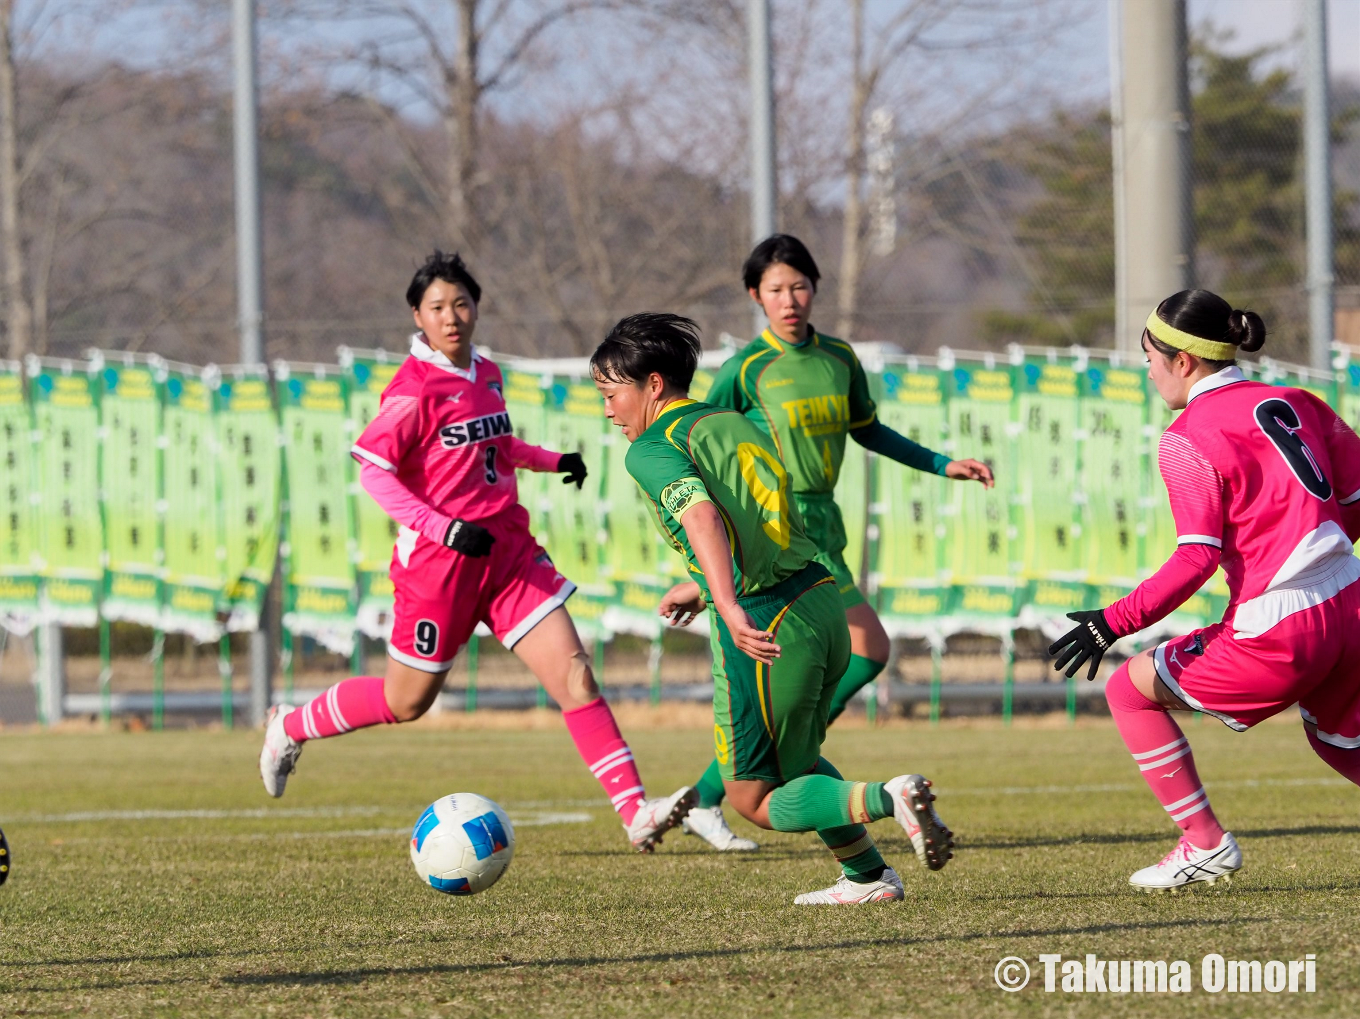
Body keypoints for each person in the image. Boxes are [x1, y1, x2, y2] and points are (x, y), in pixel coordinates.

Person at [259, 251, 695, 853]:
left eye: (461, 303)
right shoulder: (413, 390)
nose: (452, 315)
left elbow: (494, 445)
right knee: (405, 701)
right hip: (440, 566)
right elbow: (374, 470)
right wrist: (442, 529)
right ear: (417, 315)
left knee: (575, 675)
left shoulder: (485, 372)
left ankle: (635, 812)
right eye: (437, 306)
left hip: (508, 554)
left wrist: (551, 460)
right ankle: (290, 724)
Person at [591, 311, 954, 904]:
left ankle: (892, 797)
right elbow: (755, 514)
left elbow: (703, 515)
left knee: (752, 798)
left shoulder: (653, 448)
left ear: (653, 385)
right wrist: (702, 585)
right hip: (820, 599)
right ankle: (867, 877)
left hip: (766, 621)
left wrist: (728, 606)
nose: (607, 410)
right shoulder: (729, 420)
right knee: (802, 761)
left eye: (611, 394)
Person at [680, 234, 995, 853]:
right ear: (755, 296)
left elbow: (869, 431)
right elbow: (697, 434)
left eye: (798, 286)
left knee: (834, 668)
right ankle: (744, 783)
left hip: (826, 523)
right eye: (775, 289)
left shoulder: (839, 358)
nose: (789, 299)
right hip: (780, 527)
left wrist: (941, 464)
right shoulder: (745, 368)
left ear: (814, 288)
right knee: (868, 649)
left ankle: (707, 796)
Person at [1049, 289, 1360, 891]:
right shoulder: (1297, 401)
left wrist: (1110, 622)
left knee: (1128, 690)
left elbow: (1195, 560)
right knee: (1339, 741)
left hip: (1280, 626)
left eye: (1148, 358)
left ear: (1183, 362)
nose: (1148, 371)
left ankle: (1204, 843)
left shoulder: (1187, 434)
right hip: (1349, 603)